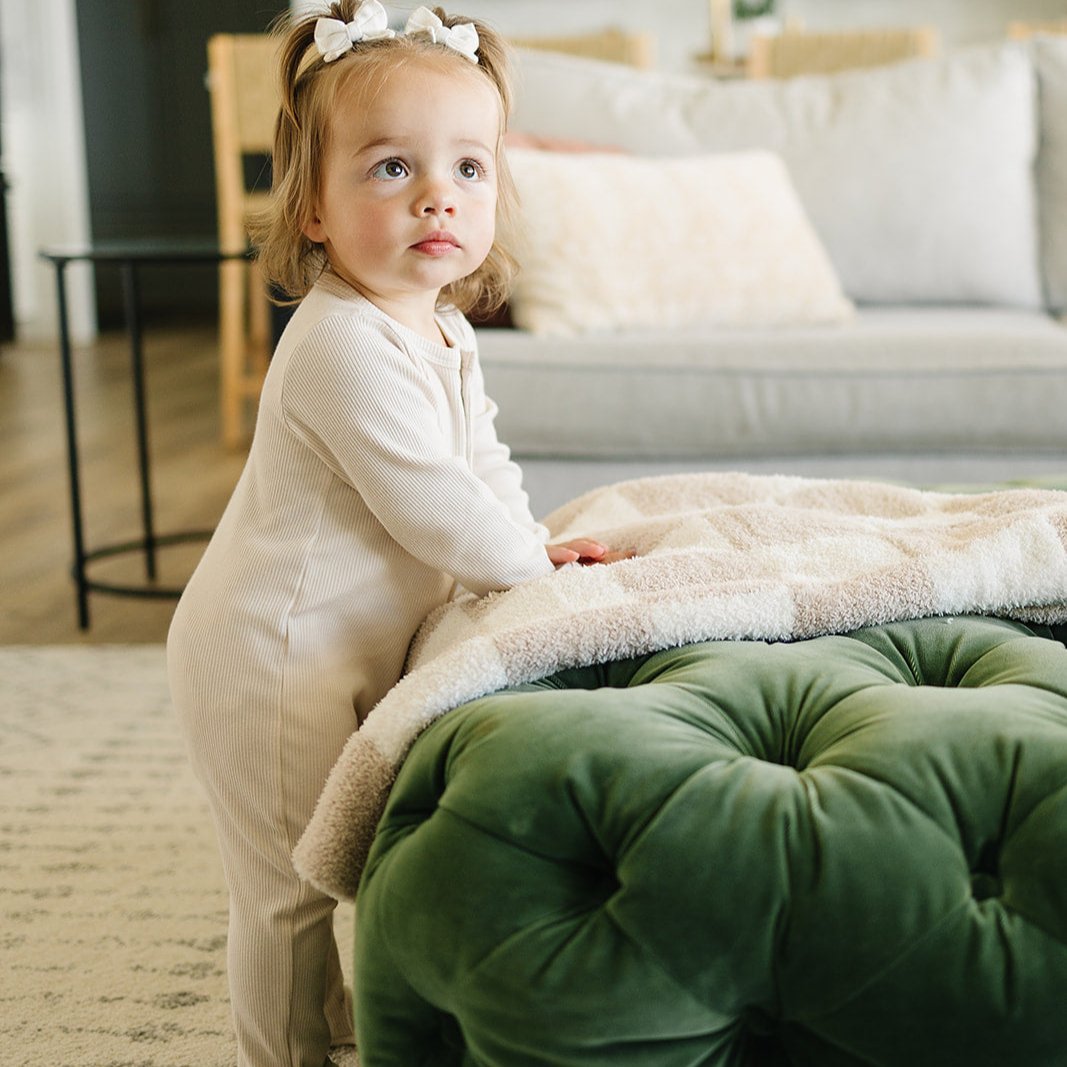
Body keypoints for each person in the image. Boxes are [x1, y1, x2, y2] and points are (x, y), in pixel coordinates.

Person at [167, 3, 628, 1065]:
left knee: (365, 859)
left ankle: (349, 1026)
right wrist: (517, 566)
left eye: (469, 166)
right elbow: (428, 498)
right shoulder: (338, 344)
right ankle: (279, 1051)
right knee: (285, 891)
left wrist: (529, 545)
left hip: (340, 650)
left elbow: (482, 464)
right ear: (315, 207)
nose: (437, 194)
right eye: (389, 169)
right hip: (268, 661)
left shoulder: (442, 324)